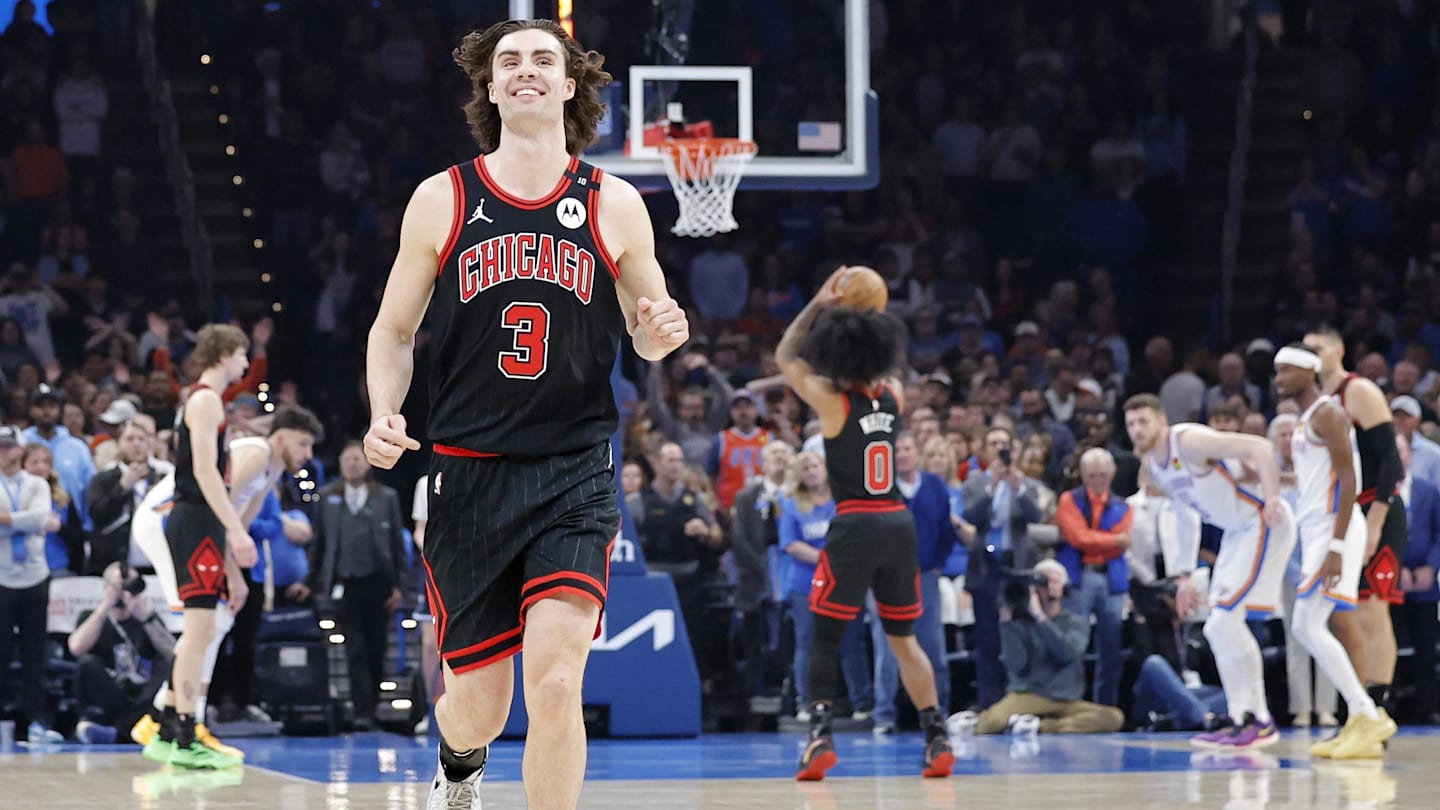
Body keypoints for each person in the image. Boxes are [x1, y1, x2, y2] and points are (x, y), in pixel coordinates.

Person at [362, 19, 689, 810]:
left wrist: (658, 333)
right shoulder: (443, 198)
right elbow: (394, 330)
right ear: (491, 86)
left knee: (555, 680)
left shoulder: (614, 203)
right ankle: (459, 769)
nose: (526, 70)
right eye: (509, 61)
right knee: (482, 704)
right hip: (469, 472)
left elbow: (646, 337)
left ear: (570, 85)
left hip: (574, 469)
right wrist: (383, 412)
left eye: (544, 59)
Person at [775, 272, 952, 781]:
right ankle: (936, 736)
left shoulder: (833, 403)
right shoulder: (893, 395)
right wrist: (865, 315)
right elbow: (876, 358)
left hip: (855, 524)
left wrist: (819, 303)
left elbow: (787, 357)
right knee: (904, 640)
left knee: (825, 638)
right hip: (898, 523)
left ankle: (820, 737)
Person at [130, 405, 319, 754]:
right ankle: (175, 723)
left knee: (215, 622)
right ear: (280, 437)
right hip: (167, 520)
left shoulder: (273, 467)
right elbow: (217, 510)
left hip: (197, 527)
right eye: (303, 444)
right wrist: (230, 573)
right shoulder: (256, 452)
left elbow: (239, 524)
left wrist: (237, 578)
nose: (308, 455)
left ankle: (165, 718)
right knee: (201, 623)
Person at [1122, 393, 1296, 749]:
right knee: (1218, 628)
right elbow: (1186, 515)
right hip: (1237, 532)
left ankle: (1256, 718)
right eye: (1130, 424)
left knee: (1222, 623)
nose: (1137, 430)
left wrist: (1275, 495)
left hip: (1261, 521)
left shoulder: (1186, 441)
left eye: (1143, 421)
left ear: (1161, 421)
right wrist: (1184, 574)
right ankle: (1242, 718)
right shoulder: (1154, 467)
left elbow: (1260, 447)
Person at [1272, 344, 1397, 758]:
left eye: (1286, 371)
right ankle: (1359, 718)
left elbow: (1349, 481)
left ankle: (1366, 714)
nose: (1278, 379)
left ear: (1309, 372)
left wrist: (1338, 546)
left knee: (1306, 625)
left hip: (1333, 530)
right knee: (1320, 625)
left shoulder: (1327, 412)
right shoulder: (1308, 418)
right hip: (1318, 530)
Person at [139, 324, 253, 770]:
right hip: (196, 517)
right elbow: (206, 473)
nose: (245, 365)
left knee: (201, 628)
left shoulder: (202, 399)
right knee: (199, 628)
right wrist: (236, 531)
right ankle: (185, 733)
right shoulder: (204, 399)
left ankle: (169, 726)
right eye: (242, 355)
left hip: (197, 519)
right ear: (224, 352)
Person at [1304, 328, 1406, 716]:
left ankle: (1377, 708)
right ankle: (1360, 707)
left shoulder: (1357, 391)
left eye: (1318, 348)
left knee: (1372, 611)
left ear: (1339, 350)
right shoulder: (1316, 402)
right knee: (1341, 616)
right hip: (1339, 513)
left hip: (1373, 507)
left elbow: (1391, 463)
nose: (1312, 355)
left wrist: (1375, 522)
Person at [973, 560, 1124, 734]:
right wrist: (1006, 623)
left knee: (1113, 717)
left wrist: (1040, 617)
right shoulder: (1021, 624)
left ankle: (1040, 726)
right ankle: (1019, 723)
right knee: (991, 723)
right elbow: (1016, 665)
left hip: (1066, 699)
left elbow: (1068, 653)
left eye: (1055, 581)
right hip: (1030, 695)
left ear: (1064, 587)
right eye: (1043, 582)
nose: (1049, 587)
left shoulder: (1076, 622)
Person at [0, 423, 64, 744]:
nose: (4, 452)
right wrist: (25, 521)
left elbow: (42, 518)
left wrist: (6, 520)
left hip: (35, 576)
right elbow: (35, 521)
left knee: (34, 652)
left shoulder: (37, 483)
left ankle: (33, 720)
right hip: (2, 578)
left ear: (21, 449)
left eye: (9, 446)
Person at [67, 562, 174, 745]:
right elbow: (76, 647)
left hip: (142, 694)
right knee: (87, 664)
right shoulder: (91, 617)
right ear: (105, 587)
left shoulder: (147, 617)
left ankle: (118, 731)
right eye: (118, 586)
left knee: (169, 667)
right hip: (111, 693)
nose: (124, 592)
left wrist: (147, 619)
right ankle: (128, 729)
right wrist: (105, 607)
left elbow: (173, 654)